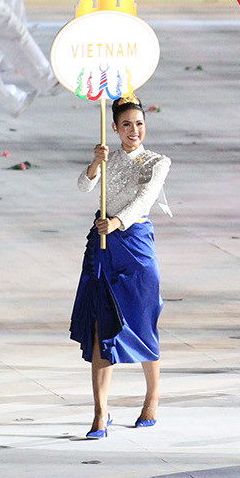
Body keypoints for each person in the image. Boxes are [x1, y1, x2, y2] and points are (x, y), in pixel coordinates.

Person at [73, 99, 172, 437]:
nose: (134, 130)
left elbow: (144, 199)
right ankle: (100, 413)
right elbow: (84, 187)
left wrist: (116, 222)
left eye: (139, 124)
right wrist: (94, 164)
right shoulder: (108, 157)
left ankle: (152, 399)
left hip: (136, 244)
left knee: (144, 322)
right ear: (114, 128)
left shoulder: (158, 162)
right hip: (104, 246)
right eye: (127, 124)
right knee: (102, 327)